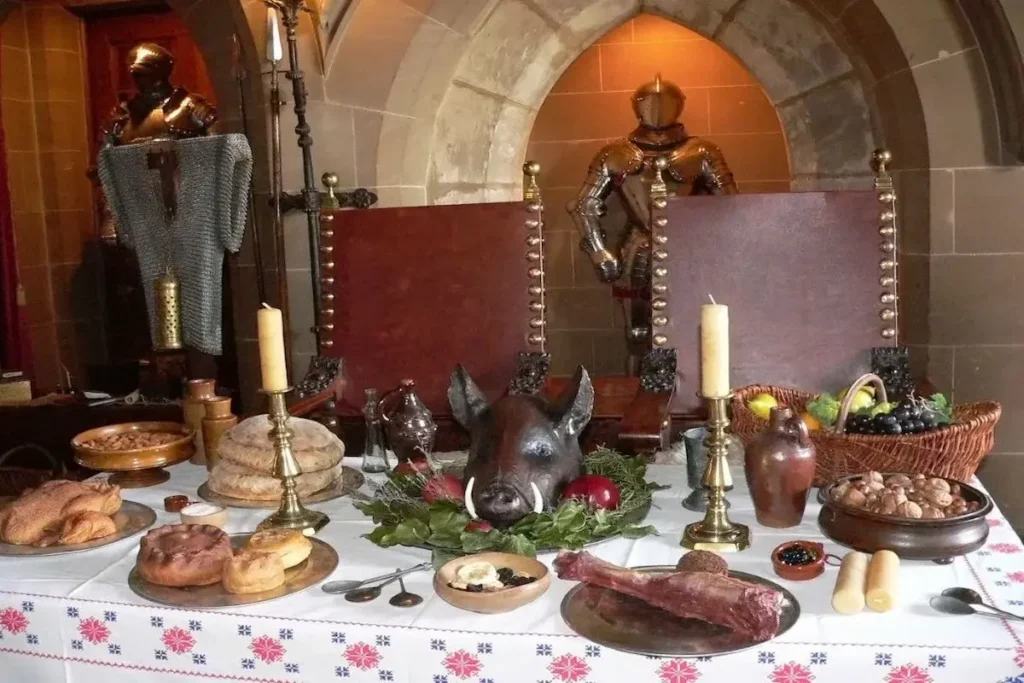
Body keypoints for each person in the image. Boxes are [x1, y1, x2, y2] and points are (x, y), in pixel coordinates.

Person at [567, 75, 737, 369]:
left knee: (695, 329)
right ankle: (638, 398)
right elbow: (583, 206)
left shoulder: (702, 152)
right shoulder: (615, 153)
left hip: (690, 249)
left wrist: (719, 251)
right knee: (637, 333)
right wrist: (598, 251)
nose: (657, 109)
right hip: (636, 251)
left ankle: (686, 397)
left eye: (665, 102)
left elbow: (730, 206)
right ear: (636, 106)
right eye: (650, 102)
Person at [105, 42, 217, 145]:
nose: (136, 80)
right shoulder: (123, 115)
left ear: (159, 73)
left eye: (141, 74)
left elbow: (219, 149)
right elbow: (105, 161)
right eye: (134, 75)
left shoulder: (192, 107)